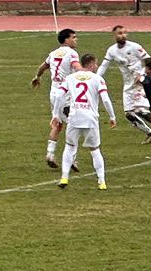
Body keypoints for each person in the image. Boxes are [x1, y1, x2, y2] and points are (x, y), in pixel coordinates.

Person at [56, 58, 117, 190]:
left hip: (74, 118)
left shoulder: (70, 78)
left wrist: (56, 114)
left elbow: (59, 96)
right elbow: (105, 99)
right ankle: (102, 181)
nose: (96, 66)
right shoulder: (97, 79)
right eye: (95, 63)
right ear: (90, 64)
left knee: (70, 147)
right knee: (95, 150)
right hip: (90, 119)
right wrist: (112, 116)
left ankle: (64, 177)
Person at [30, 27, 82, 171]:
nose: (76, 39)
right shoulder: (72, 53)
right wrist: (87, 75)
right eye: (74, 37)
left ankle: (50, 154)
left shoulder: (53, 53)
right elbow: (77, 67)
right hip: (66, 95)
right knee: (74, 126)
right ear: (66, 39)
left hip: (54, 93)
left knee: (57, 124)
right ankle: (72, 159)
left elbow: (43, 66)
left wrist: (37, 77)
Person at [104, 24, 151, 142]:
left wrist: (142, 74)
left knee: (141, 111)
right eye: (120, 33)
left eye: (125, 33)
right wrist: (95, 78)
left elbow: (150, 62)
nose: (123, 35)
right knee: (129, 114)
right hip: (128, 84)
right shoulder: (111, 50)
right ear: (114, 35)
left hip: (140, 83)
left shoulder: (135, 46)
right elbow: (104, 66)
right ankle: (150, 133)